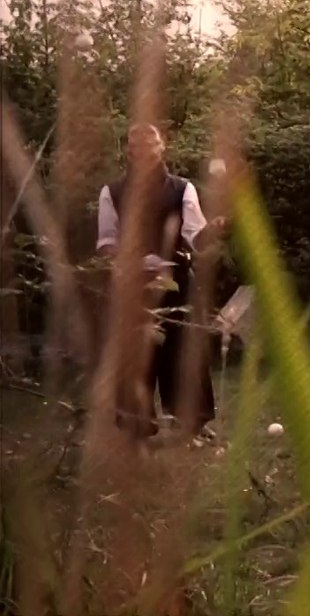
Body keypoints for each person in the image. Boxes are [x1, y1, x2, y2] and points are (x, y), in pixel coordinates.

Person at [97, 123, 223, 443]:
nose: (142, 147)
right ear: (129, 150)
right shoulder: (112, 192)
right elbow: (107, 240)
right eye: (134, 143)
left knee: (185, 351)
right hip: (131, 285)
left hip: (176, 280)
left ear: (161, 146)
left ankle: (194, 424)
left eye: (149, 141)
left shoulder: (183, 188)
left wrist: (213, 231)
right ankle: (136, 426)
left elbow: (194, 236)